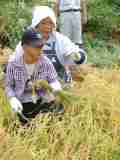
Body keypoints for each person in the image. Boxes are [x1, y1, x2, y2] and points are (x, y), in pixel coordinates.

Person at [13, 6, 86, 83]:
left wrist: (77, 56)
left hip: (60, 81)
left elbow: (76, 52)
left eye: (50, 23)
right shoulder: (28, 39)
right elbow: (16, 59)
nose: (47, 26)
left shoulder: (60, 39)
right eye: (43, 23)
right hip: (35, 82)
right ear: (36, 24)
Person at [6, 29, 63, 124]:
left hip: (44, 100)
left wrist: (55, 86)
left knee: (54, 120)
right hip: (24, 103)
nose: (40, 49)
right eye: (36, 46)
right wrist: (12, 98)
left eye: (41, 46)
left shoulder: (45, 62)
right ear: (25, 47)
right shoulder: (13, 64)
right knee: (27, 128)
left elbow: (53, 79)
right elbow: (9, 86)